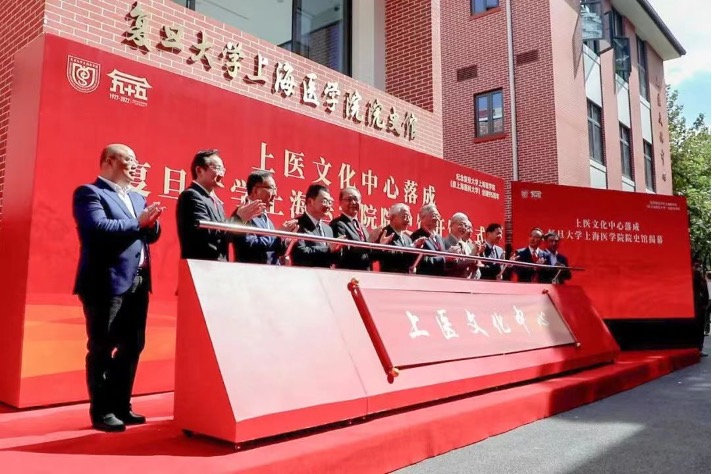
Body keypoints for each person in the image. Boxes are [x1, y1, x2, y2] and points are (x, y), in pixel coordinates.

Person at [73, 144, 164, 432]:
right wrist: (139, 222)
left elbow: (149, 234)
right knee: (102, 346)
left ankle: (121, 405)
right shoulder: (90, 193)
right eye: (129, 160)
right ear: (109, 161)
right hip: (105, 282)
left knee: (132, 345)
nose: (135, 165)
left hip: (138, 281)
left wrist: (152, 224)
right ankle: (102, 411)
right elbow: (98, 229)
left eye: (136, 160)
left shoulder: (137, 197)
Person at [176, 149, 263, 261]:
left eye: (223, 169)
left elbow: (225, 236)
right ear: (199, 170)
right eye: (217, 168)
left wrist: (243, 222)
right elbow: (205, 234)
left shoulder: (216, 202)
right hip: (201, 265)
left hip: (218, 266)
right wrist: (238, 219)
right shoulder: (191, 196)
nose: (222, 173)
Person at [230, 170, 297, 264]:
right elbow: (249, 245)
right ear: (255, 190)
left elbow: (271, 248)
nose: (275, 194)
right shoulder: (243, 214)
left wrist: (286, 241)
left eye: (275, 189)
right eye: (271, 188)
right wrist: (277, 235)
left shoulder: (265, 217)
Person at [291, 184, 343, 267]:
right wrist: (328, 248)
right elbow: (300, 254)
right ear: (310, 201)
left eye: (330, 202)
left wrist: (338, 250)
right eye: (325, 201)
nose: (328, 206)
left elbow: (332, 259)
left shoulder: (328, 229)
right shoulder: (298, 224)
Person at [330, 186, 372, 270]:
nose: (353, 202)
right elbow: (344, 252)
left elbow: (369, 255)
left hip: (366, 274)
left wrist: (380, 246)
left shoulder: (363, 227)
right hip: (348, 273)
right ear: (340, 202)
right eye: (349, 199)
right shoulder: (338, 224)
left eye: (356, 199)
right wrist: (368, 242)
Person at [377, 203, 426, 273]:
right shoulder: (385, 234)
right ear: (393, 217)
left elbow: (410, 260)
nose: (407, 220)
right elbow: (392, 257)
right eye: (404, 216)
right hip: (390, 276)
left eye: (409, 217)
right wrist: (412, 246)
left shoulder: (407, 239)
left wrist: (417, 248)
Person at [410, 204, 448, 276]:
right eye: (434, 215)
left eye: (438, 216)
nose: (437, 219)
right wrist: (443, 259)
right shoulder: (417, 237)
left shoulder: (439, 237)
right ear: (422, 218)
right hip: (425, 277)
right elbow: (420, 261)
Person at [442, 212, 475, 278]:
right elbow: (452, 266)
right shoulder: (444, 242)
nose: (463, 227)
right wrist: (472, 256)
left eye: (466, 226)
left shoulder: (467, 246)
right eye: (461, 224)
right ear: (451, 224)